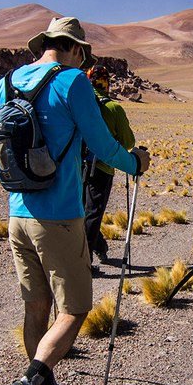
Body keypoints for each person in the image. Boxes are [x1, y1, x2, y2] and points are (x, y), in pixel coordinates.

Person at [0, 17, 150, 385]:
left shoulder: (5, 84)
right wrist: (135, 162)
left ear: (45, 43)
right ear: (76, 50)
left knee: (36, 307)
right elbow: (101, 144)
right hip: (60, 217)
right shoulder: (74, 81)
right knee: (75, 310)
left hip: (17, 214)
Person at [81, 65, 135, 264]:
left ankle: (99, 246)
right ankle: (84, 262)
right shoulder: (113, 108)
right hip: (102, 168)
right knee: (93, 214)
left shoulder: (81, 105)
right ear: (106, 83)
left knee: (81, 211)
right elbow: (128, 142)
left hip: (76, 167)